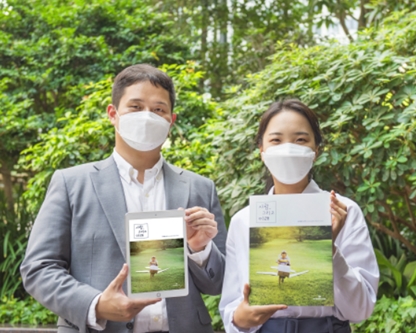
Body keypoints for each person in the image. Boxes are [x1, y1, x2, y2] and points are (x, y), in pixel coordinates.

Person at [21, 64, 227, 333]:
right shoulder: (72, 184)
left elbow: (219, 283)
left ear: (171, 121)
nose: (147, 116)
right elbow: (38, 268)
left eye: (158, 110)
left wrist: (200, 250)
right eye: (136, 106)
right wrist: (95, 304)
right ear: (113, 114)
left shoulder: (201, 187)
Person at [219, 99, 379, 333]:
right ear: (262, 151)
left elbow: (361, 310)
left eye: (300, 139)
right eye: (276, 140)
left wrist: (328, 248)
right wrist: (241, 318)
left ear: (315, 151)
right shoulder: (244, 221)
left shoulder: (343, 212)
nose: (288, 148)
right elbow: (232, 312)